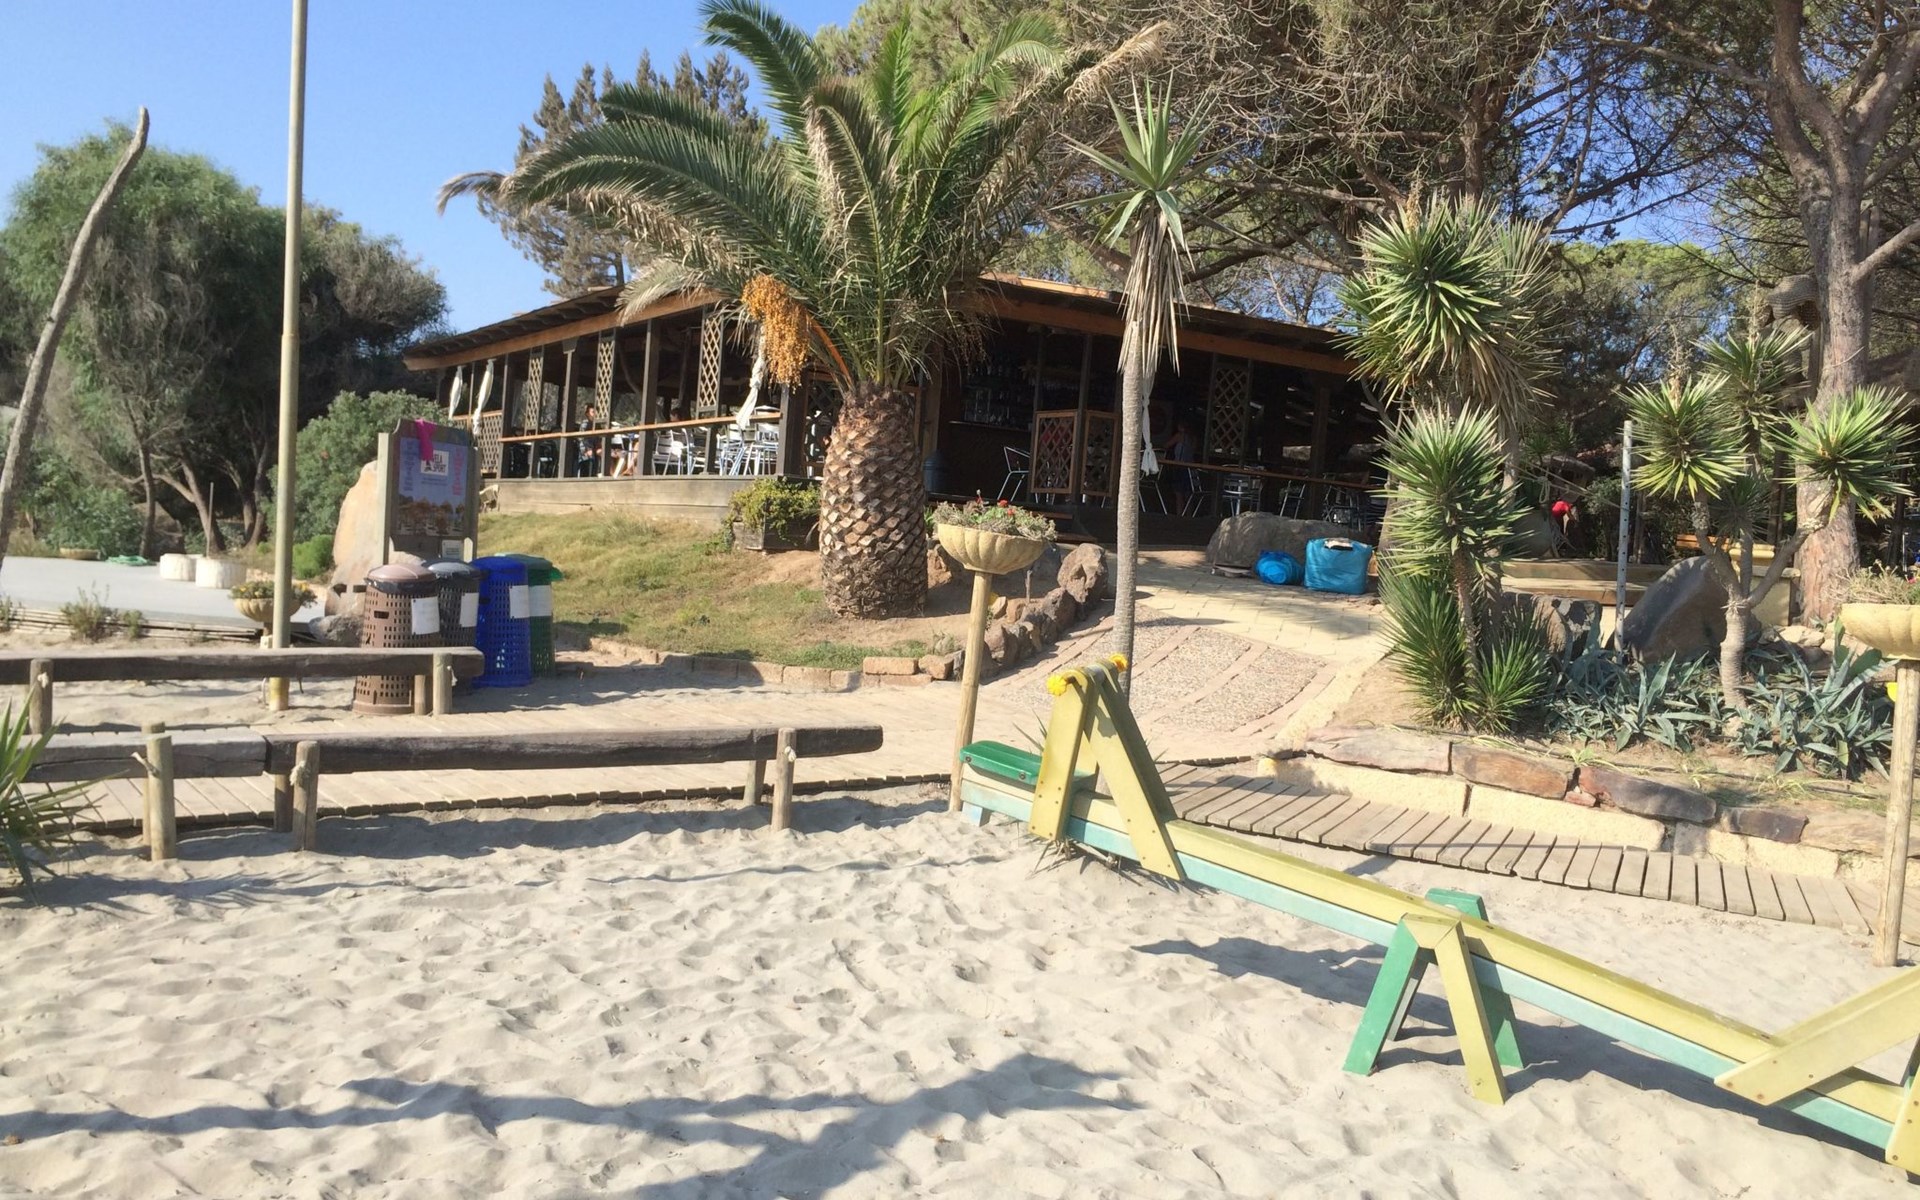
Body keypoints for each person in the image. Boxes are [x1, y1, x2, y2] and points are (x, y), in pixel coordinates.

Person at [1164, 417, 1202, 515]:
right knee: (1188, 493)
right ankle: (1189, 515)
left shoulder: (1179, 436)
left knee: (1179, 494)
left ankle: (1179, 514)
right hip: (1190, 467)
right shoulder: (1193, 438)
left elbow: (1167, 445)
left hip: (1180, 466)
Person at [575, 404, 606, 477]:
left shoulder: (597, 425)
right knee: (589, 460)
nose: (595, 414)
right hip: (585, 448)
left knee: (606, 453)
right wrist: (587, 449)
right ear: (587, 414)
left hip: (595, 447)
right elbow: (581, 438)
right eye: (593, 412)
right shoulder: (585, 423)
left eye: (596, 412)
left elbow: (600, 437)